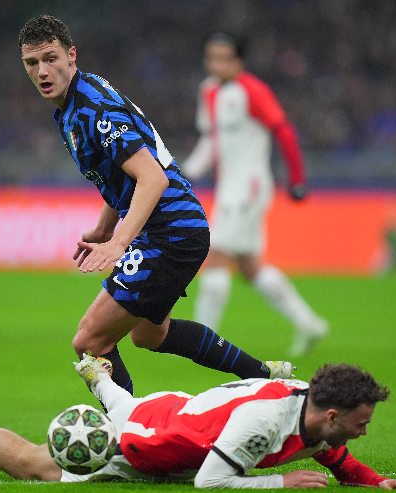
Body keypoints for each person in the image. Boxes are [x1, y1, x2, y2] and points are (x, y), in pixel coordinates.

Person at [17, 14, 294, 397]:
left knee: (89, 341)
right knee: (150, 334)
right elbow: (122, 176)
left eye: (51, 58)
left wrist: (117, 244)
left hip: (169, 232)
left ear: (72, 55)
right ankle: (265, 374)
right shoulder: (73, 104)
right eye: (32, 63)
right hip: (170, 230)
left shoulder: (94, 109)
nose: (43, 71)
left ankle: (128, 437)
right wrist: (104, 228)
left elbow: (152, 178)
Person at [0, 355, 396, 490]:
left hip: (179, 410)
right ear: (331, 413)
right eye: (360, 422)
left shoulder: (310, 410)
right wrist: (280, 481)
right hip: (153, 443)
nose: (362, 430)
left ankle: (98, 376)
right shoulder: (265, 423)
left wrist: (370, 480)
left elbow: (326, 448)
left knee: (129, 408)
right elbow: (211, 481)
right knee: (42, 468)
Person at [182, 32, 327, 358]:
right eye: (212, 57)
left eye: (223, 58)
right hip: (228, 187)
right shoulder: (208, 91)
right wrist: (185, 173)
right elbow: (210, 141)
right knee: (249, 267)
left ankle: (201, 342)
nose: (216, 64)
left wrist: (297, 179)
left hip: (248, 187)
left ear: (239, 61)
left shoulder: (252, 90)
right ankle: (309, 323)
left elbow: (284, 130)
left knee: (215, 256)